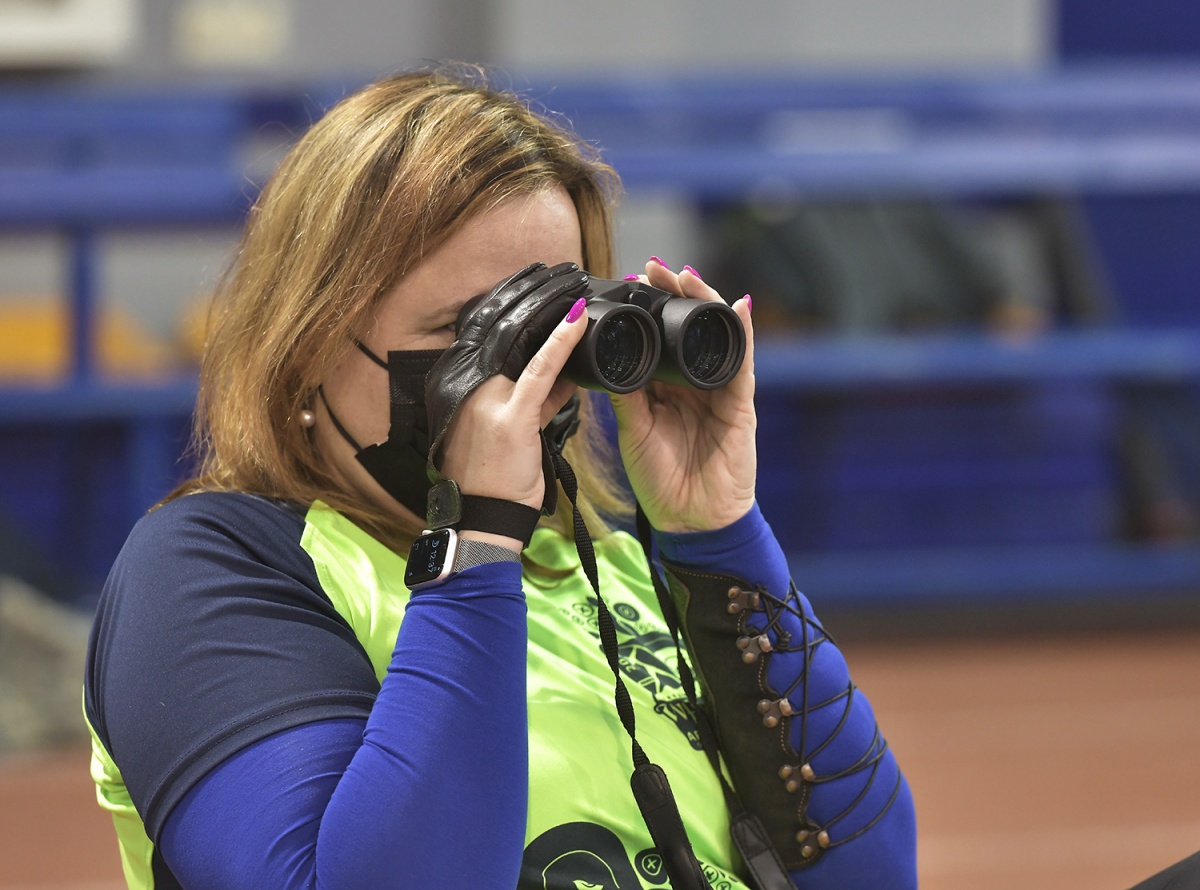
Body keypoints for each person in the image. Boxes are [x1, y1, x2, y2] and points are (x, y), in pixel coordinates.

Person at [83, 65, 917, 889]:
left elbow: (872, 875)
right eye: (466, 329)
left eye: (552, 323)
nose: (524, 377)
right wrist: (476, 541)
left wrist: (719, 536)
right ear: (307, 343)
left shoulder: (626, 573)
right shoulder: (209, 571)